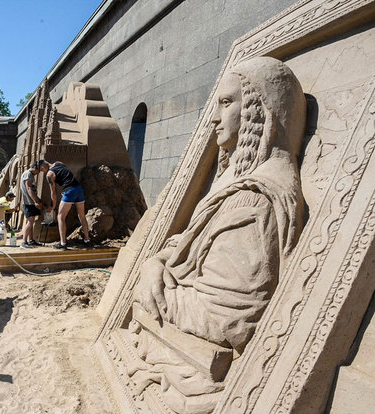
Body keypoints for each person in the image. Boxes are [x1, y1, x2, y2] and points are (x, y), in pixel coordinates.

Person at [127, 57, 307, 413]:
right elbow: (186, 248)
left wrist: (159, 286)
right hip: (192, 303)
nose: (214, 117)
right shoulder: (234, 186)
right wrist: (156, 263)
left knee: (141, 298)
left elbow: (231, 319)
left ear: (258, 111)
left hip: (209, 334)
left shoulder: (255, 199)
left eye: (227, 104)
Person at [38, 160, 90, 249]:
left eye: (41, 170)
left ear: (42, 167)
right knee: (81, 215)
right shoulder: (59, 163)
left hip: (69, 191)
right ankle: (87, 240)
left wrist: (53, 206)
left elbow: (53, 193)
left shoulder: (49, 175)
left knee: (60, 216)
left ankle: (63, 243)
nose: (43, 172)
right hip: (78, 189)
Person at [19, 162, 44, 248]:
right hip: (28, 202)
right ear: (34, 167)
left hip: (30, 202)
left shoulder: (29, 174)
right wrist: (36, 201)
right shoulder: (28, 174)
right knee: (30, 221)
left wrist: (37, 199)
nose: (39, 172)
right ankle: (24, 242)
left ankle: (31, 240)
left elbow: (31, 189)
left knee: (31, 221)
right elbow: (29, 188)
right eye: (38, 170)